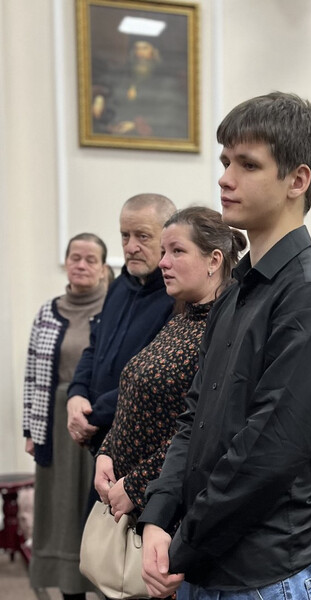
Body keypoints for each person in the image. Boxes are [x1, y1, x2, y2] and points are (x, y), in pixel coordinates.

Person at [138, 92, 311, 599]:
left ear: (297, 180)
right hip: (204, 558)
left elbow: (268, 453)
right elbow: (195, 416)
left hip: (266, 574)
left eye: (247, 164)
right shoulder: (239, 287)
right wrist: (159, 513)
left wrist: (184, 543)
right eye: (225, 162)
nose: (225, 178)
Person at [94, 207, 246, 525]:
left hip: (164, 508)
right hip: (123, 494)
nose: (163, 262)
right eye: (164, 252)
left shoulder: (225, 331)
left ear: (214, 261)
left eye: (177, 251)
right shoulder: (181, 318)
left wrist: (137, 485)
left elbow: (202, 432)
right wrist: (106, 453)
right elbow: (134, 396)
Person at [22, 233, 108, 600]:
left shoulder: (113, 308)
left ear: (103, 268)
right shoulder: (47, 311)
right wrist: (31, 430)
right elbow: (32, 374)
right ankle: (68, 588)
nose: (81, 265)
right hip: (55, 426)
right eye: (75, 257)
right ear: (67, 262)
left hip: (98, 422)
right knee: (58, 510)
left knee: (94, 507)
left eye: (90, 259)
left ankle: (100, 579)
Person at [66, 193, 176, 456]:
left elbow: (153, 379)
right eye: (125, 236)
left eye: (143, 236)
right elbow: (94, 347)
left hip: (140, 443)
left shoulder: (176, 298)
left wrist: (92, 415)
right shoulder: (118, 286)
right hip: (98, 433)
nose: (131, 246)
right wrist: (76, 394)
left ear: (167, 238)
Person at [92, 39, 188, 139]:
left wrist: (135, 125)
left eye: (145, 48)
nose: (140, 53)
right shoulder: (125, 75)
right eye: (136, 49)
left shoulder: (165, 80)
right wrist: (100, 97)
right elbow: (109, 90)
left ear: (154, 53)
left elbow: (168, 115)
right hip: (117, 129)